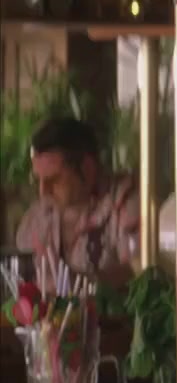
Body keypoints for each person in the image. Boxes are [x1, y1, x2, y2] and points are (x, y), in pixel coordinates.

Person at [15, 117, 139, 291]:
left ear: (87, 169)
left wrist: (80, 285)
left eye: (54, 180)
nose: (43, 192)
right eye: (38, 181)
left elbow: (139, 275)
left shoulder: (124, 202)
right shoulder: (37, 217)